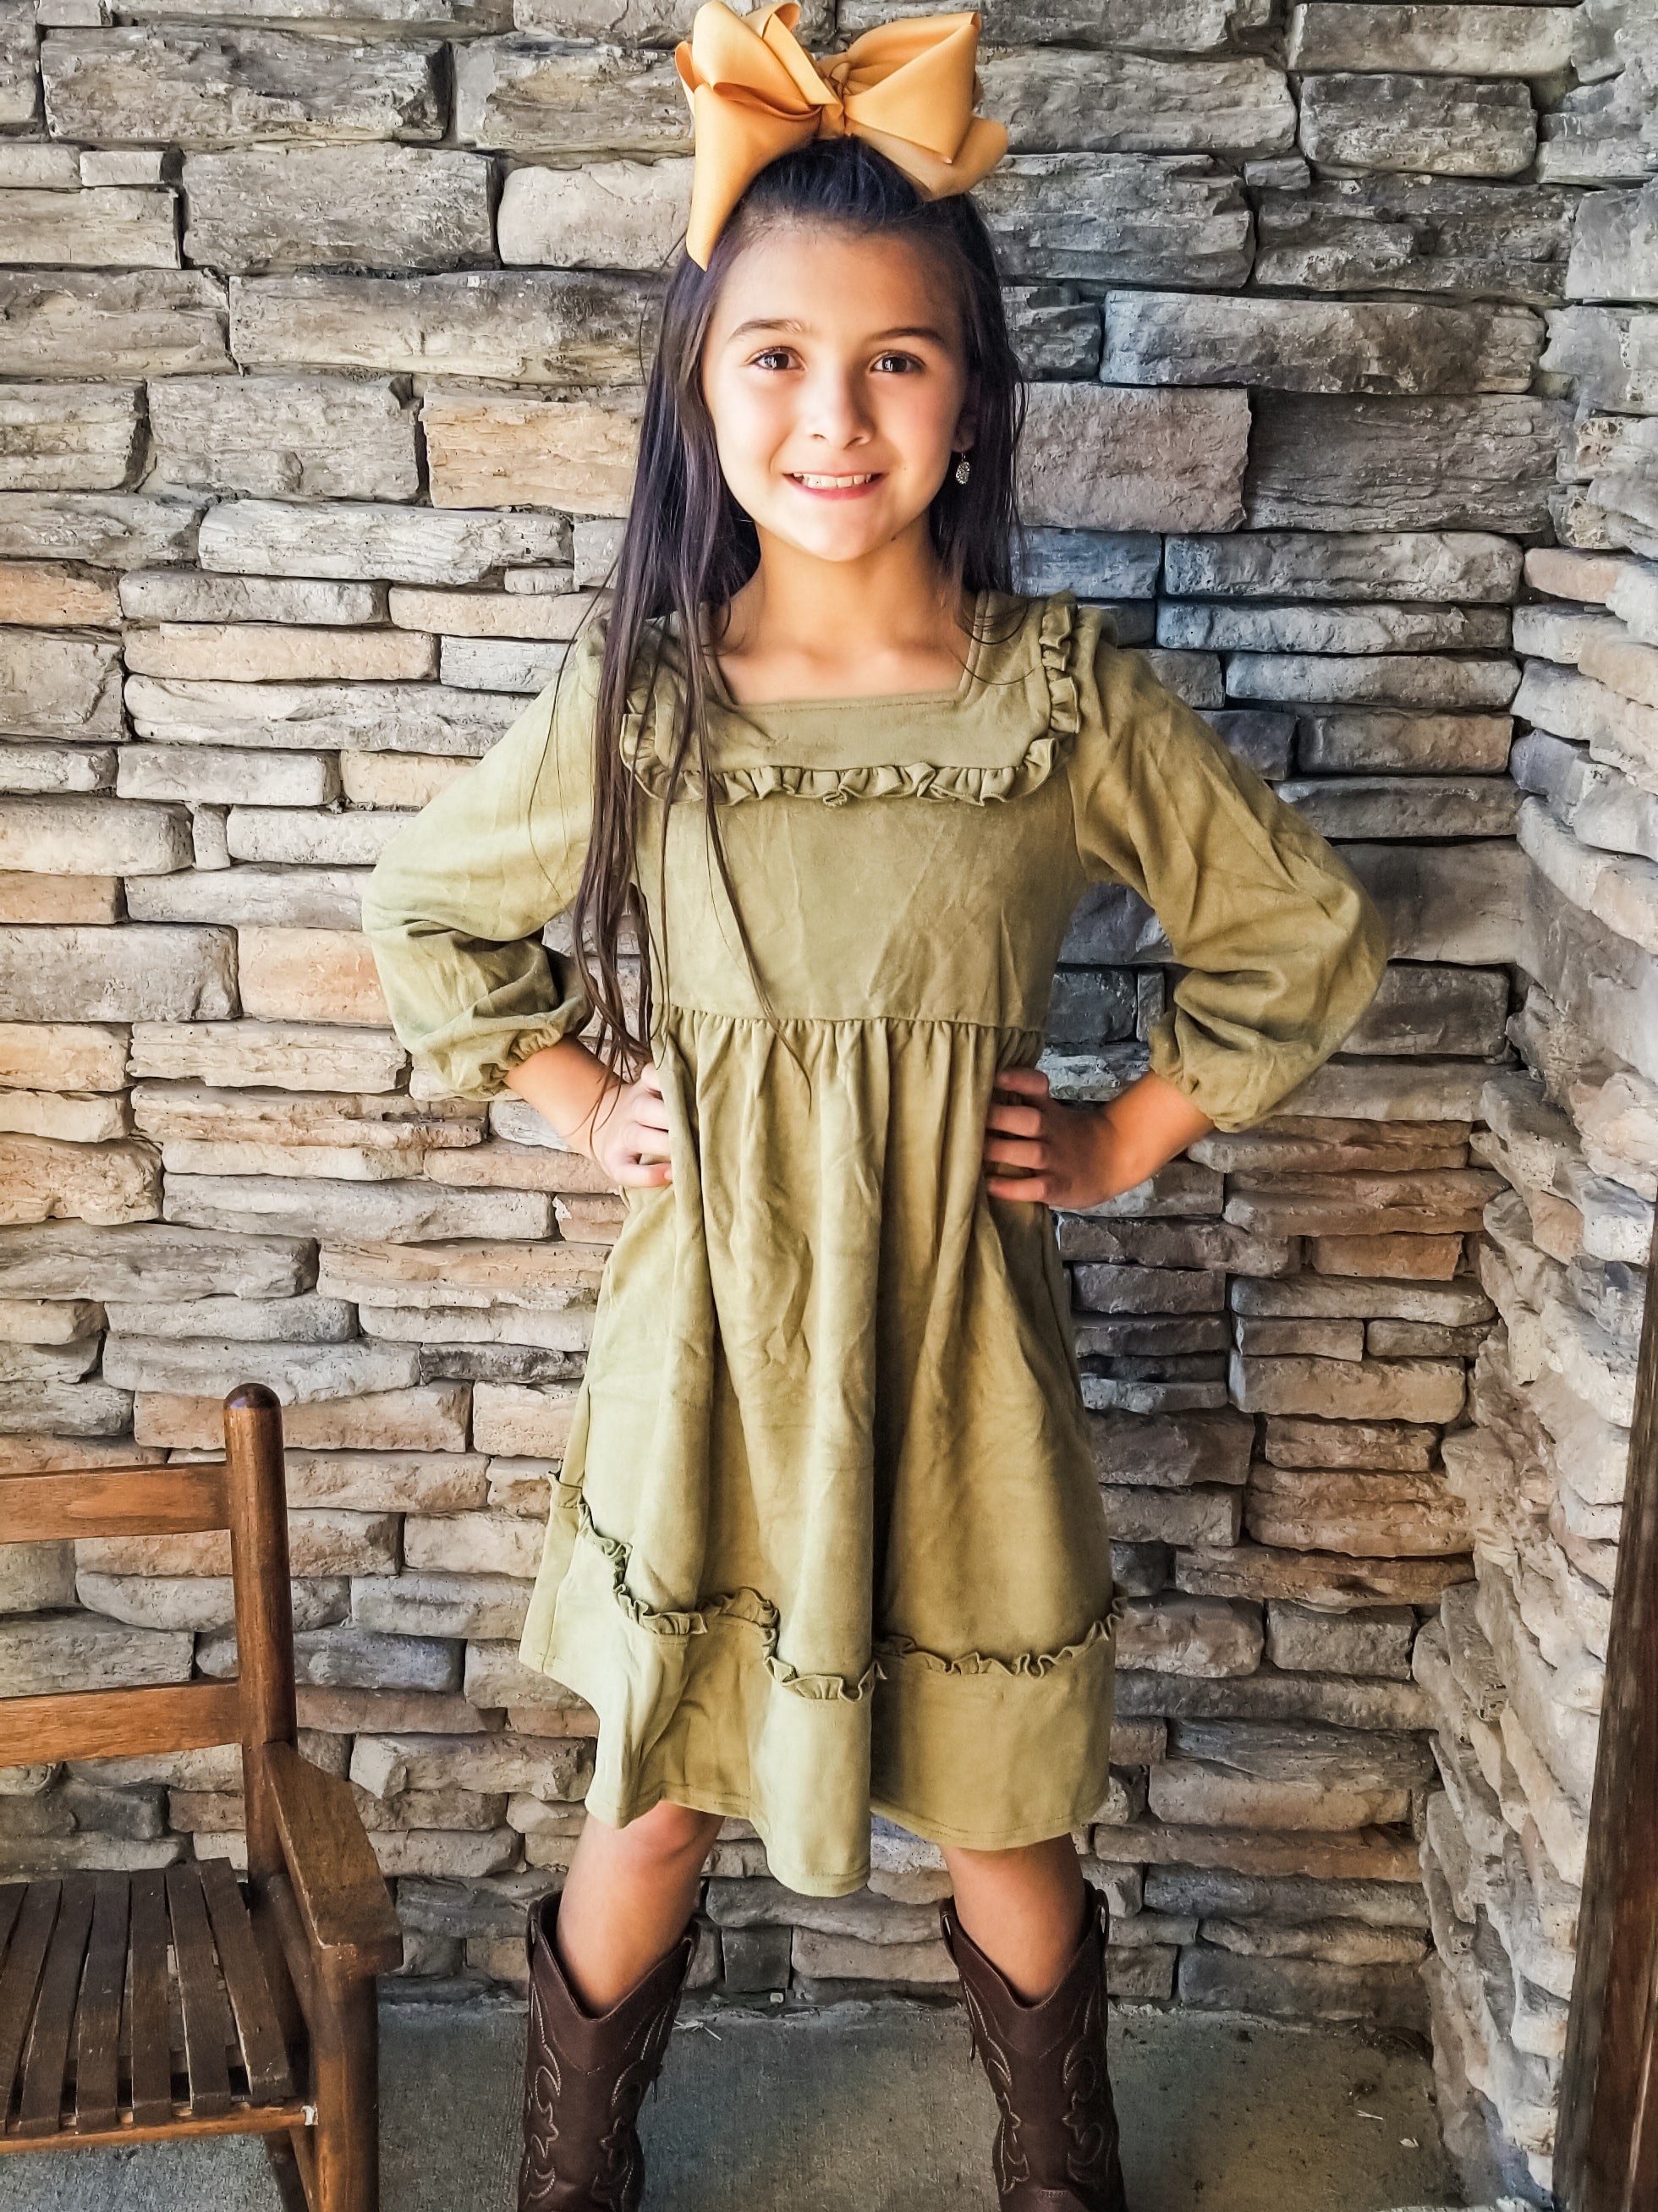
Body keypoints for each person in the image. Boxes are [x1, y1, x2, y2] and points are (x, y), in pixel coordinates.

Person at [361, 7, 1387, 2204]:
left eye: (895, 360)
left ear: (971, 394)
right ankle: (571, 2174)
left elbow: (1296, 930)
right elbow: (427, 913)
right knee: (651, 1798)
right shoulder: (647, 698)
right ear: (701, 388)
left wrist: (1120, 1136)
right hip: (710, 1360)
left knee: (1007, 1810)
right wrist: (581, 1099)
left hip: (954, 1364)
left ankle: (1058, 2167)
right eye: (776, 359)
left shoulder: (1057, 703)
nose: (832, 415)